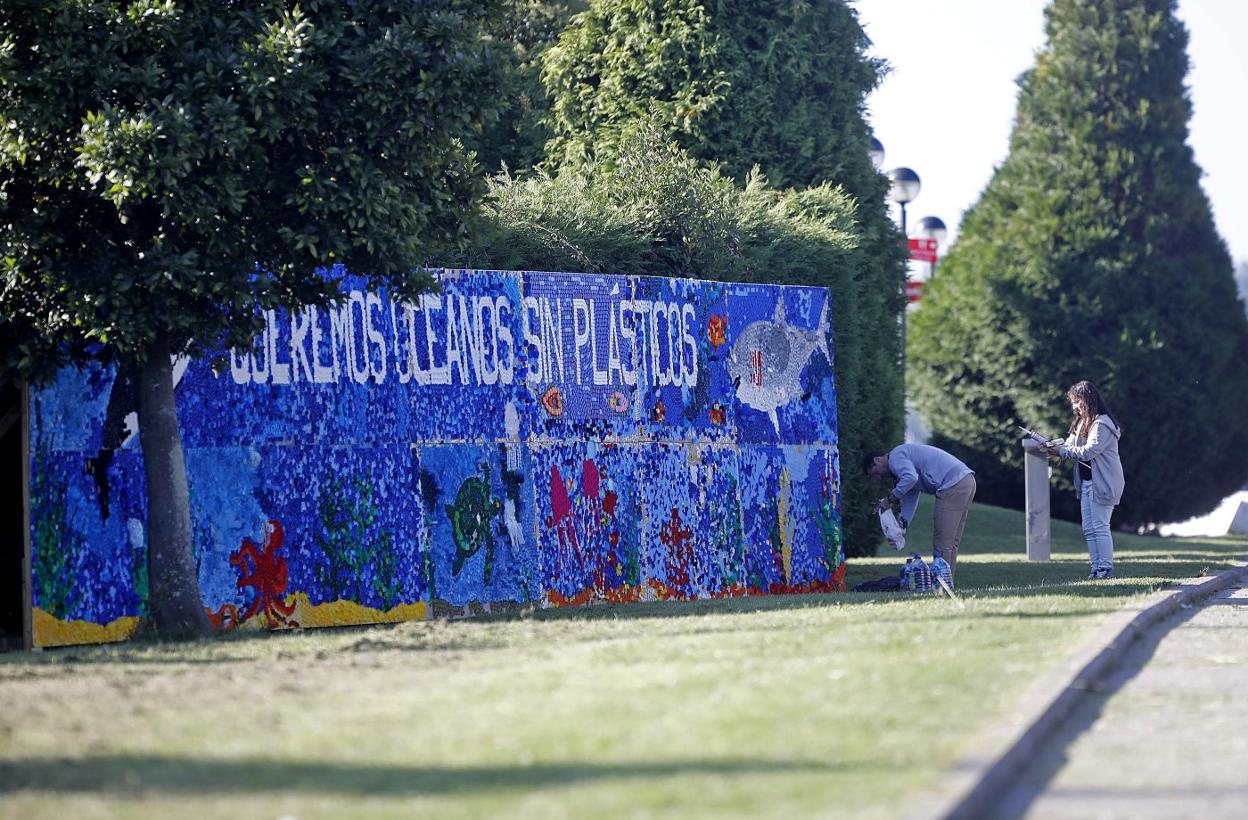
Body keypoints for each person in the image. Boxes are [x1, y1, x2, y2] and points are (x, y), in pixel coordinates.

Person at [1039, 380, 1124, 579]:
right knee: (1089, 528)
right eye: (1073, 403)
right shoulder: (1081, 422)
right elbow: (1069, 444)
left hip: (1103, 483)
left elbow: (1089, 452)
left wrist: (1063, 451)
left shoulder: (1102, 423)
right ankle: (1096, 569)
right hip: (1086, 483)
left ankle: (1105, 568)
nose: (1074, 406)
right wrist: (1054, 447)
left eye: (1077, 401)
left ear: (1088, 400)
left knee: (1100, 527)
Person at [862, 444, 976, 578]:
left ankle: (941, 586)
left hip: (952, 484)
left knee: (942, 542)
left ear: (877, 460)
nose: (880, 477)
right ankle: (947, 585)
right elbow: (910, 498)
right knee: (951, 542)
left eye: (876, 472)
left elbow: (910, 478)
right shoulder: (903, 464)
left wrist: (890, 499)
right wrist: (900, 529)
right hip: (966, 480)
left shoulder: (896, 456)